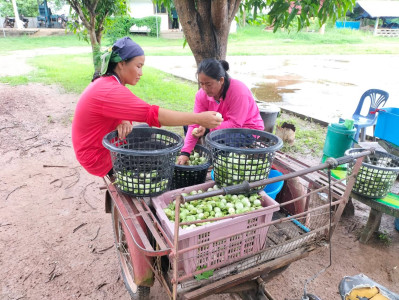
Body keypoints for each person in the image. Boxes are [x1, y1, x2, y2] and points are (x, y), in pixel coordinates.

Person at [72, 37, 222, 177]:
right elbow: (154, 115)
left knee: (147, 133)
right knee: (160, 152)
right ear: (121, 64)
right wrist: (199, 119)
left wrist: (123, 119)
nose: (141, 73)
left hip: (103, 144)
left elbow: (112, 110)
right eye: (138, 66)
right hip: (98, 158)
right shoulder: (110, 90)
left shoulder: (107, 83)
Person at [177, 58, 264, 165]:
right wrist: (185, 152)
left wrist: (207, 128)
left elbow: (235, 125)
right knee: (190, 125)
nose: (204, 88)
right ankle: (199, 153)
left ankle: (217, 163)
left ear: (221, 80)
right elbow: (196, 121)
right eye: (201, 84)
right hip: (219, 125)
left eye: (208, 84)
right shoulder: (201, 94)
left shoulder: (238, 92)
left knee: (218, 138)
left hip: (247, 129)